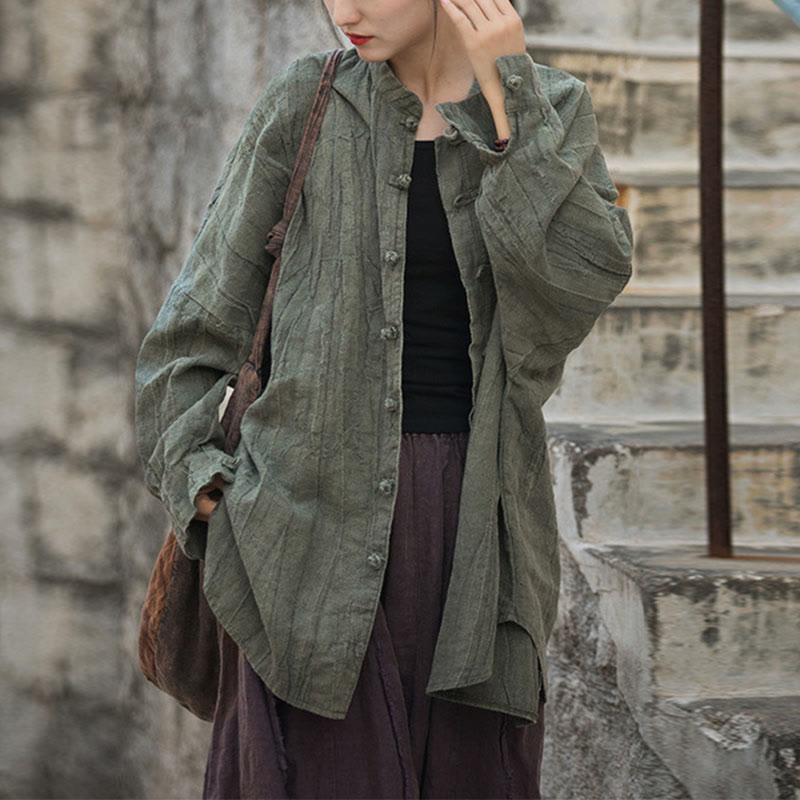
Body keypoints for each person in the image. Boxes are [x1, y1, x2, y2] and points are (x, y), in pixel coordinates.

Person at [134, 0, 634, 796]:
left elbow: (578, 284)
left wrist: (510, 103)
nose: (347, 10)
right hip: (295, 537)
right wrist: (203, 487)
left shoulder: (552, 108)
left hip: (476, 534)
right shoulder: (306, 103)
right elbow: (194, 328)